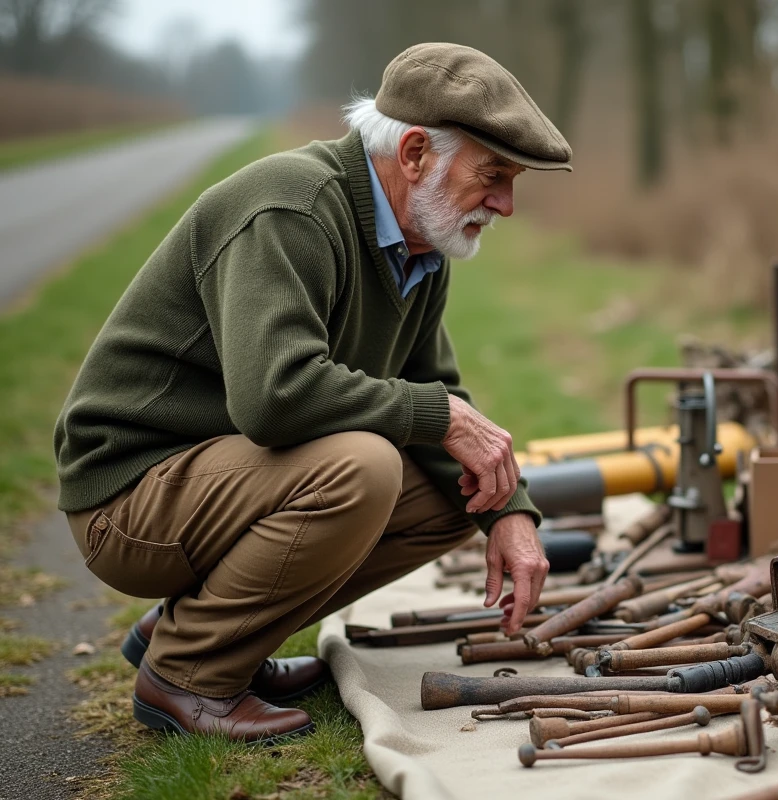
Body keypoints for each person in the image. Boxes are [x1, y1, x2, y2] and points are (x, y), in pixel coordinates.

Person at [53, 43, 566, 743]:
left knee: (464, 489)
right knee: (365, 466)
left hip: (221, 480)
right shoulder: (291, 207)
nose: (505, 202)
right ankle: (186, 674)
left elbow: (432, 384)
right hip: (130, 498)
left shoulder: (420, 244)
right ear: (415, 153)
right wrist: (440, 416)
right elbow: (275, 398)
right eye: (494, 175)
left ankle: (210, 630)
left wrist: (509, 509)